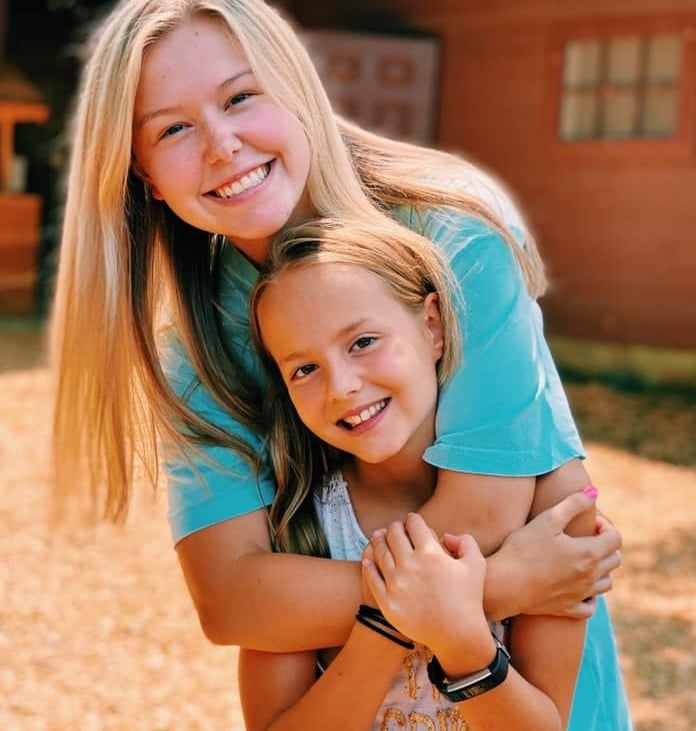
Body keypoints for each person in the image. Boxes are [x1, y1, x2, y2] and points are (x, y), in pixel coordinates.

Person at [49, 1, 631, 728]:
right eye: (173, 129)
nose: (223, 146)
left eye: (241, 96)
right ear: (145, 176)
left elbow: (483, 514)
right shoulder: (195, 350)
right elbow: (233, 601)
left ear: (295, 85)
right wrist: (506, 582)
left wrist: (317, 597)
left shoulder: (456, 238)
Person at [239, 218, 595, 730]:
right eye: (305, 369)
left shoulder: (550, 509)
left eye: (363, 341)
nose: (341, 387)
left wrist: (462, 643)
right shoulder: (297, 521)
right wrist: (399, 619)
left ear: (432, 326)